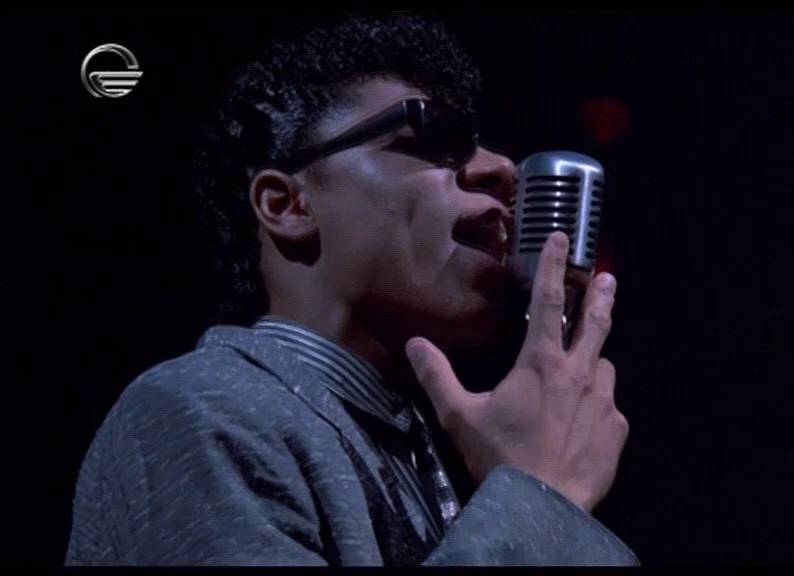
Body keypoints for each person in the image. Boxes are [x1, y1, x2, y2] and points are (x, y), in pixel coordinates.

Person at [64, 13, 635, 566]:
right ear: (288, 205)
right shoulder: (199, 411)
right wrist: (538, 495)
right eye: (436, 138)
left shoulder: (441, 455)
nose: (501, 169)